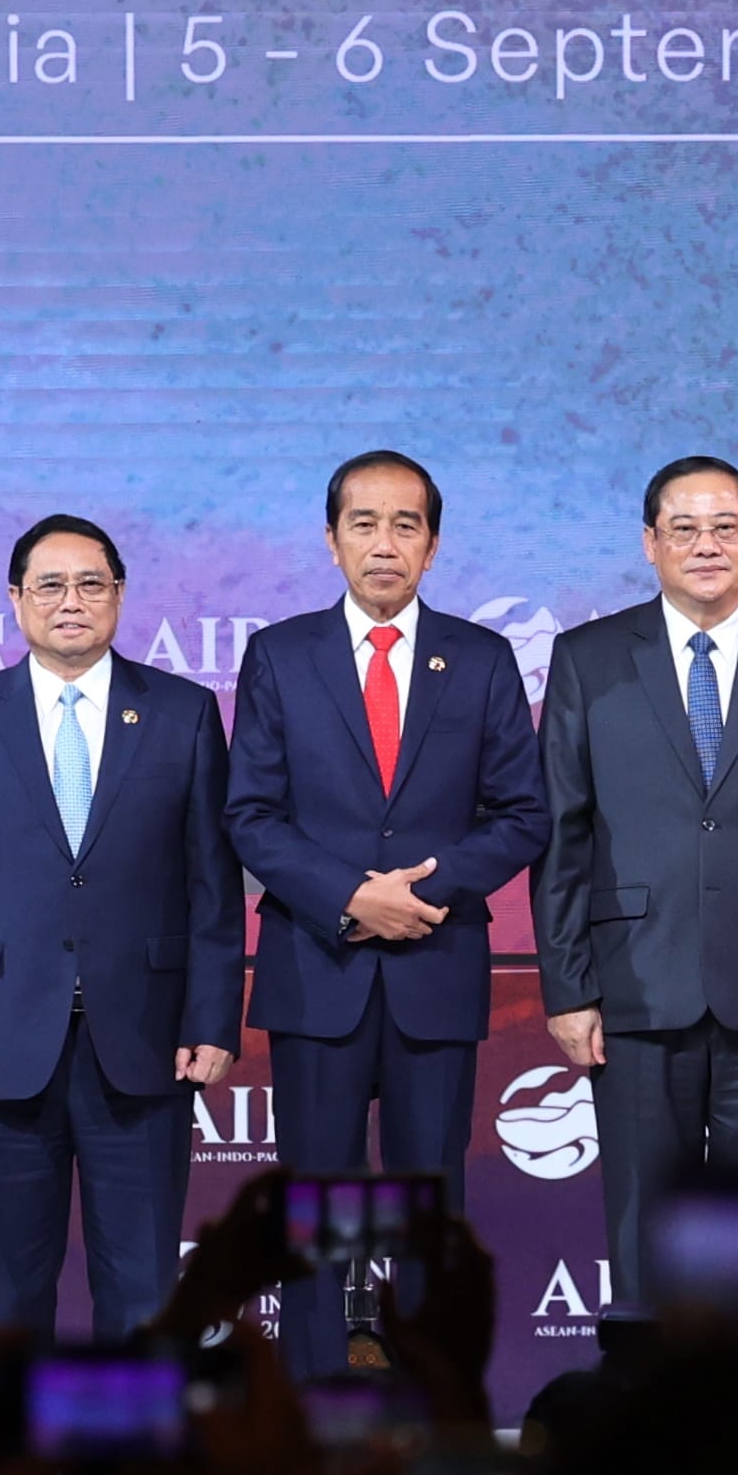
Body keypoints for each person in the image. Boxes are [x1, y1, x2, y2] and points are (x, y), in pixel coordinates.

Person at [222, 449, 548, 1378]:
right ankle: (319, 1407)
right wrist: (348, 897)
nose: (384, 543)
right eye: (363, 523)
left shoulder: (482, 659)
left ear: (433, 545)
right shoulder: (279, 655)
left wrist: (422, 896)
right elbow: (250, 814)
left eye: (406, 525)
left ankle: (425, 1413)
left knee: (425, 1207)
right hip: (316, 969)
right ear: (331, 541)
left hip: (433, 972)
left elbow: (523, 813)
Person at [536, 455, 738, 1313]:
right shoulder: (587, 657)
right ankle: (653, 1427)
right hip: (635, 989)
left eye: (725, 527)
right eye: (683, 528)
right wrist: (569, 987)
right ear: (650, 543)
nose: (705, 545)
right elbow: (562, 837)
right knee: (649, 1230)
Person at [0, 515, 239, 1342]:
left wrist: (209, 1016)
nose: (71, 601)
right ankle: (17, 1470)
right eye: (49, 584)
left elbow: (213, 883)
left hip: (146, 1041)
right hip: (1, 1048)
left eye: (91, 583)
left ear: (120, 595)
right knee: (10, 1291)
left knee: (142, 1286)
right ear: (16, 600)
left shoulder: (184, 713)